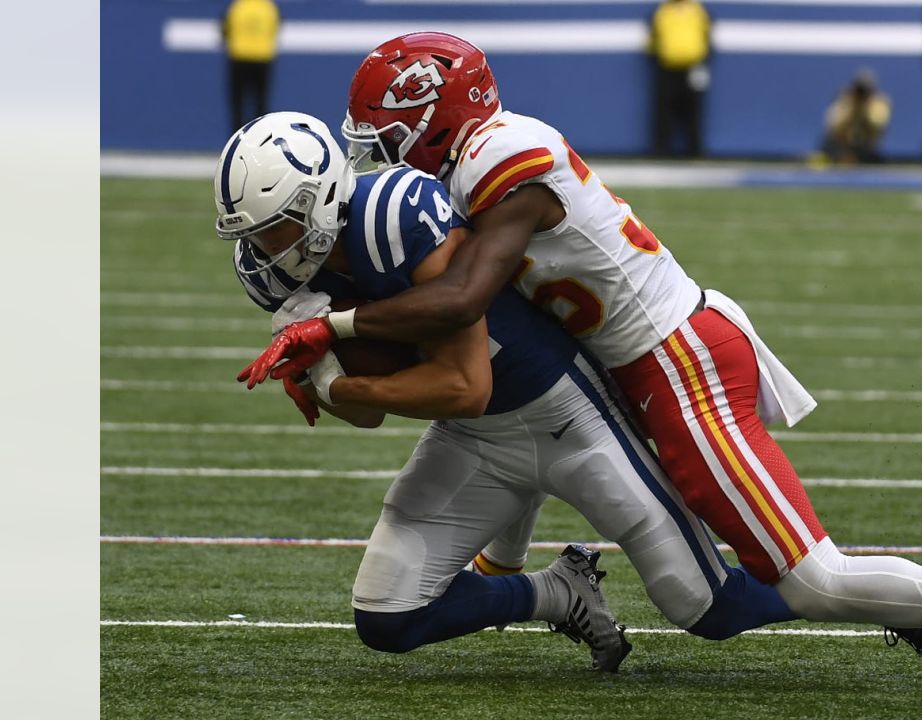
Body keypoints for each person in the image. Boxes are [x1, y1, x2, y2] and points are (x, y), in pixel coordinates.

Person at [243, 34, 922, 697]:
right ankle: (526, 579)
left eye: (385, 129)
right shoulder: (476, 159)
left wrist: (335, 327)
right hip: (630, 367)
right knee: (704, 579)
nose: (376, 150)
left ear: (430, 116)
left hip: (676, 364)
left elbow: (466, 300)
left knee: (809, 578)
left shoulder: (498, 158)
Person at [218, 111, 856, 673]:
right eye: (255, 234)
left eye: (278, 227)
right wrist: (321, 380)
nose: (266, 249)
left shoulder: (398, 214)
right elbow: (367, 419)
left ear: (323, 198)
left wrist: (336, 367)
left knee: (709, 607)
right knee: (386, 617)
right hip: (476, 438)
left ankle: (873, 598)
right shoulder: (291, 288)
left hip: (570, 415)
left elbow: (465, 384)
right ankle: (558, 592)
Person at [648, 0, 711, 157]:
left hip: (692, 66)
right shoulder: (663, 10)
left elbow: (707, 34)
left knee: (693, 110)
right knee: (664, 109)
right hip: (668, 67)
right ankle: (661, 149)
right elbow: (654, 37)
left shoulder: (697, 9)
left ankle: (694, 150)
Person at [222, 0, 280, 132]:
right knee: (261, 103)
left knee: (238, 105)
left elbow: (225, 31)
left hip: (239, 58)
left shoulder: (237, 7)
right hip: (262, 59)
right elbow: (275, 29)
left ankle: (236, 139)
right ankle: (261, 138)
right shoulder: (268, 8)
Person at [818, 69, 892, 165]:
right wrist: (851, 110)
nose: (861, 95)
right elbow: (833, 127)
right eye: (859, 91)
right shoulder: (845, 100)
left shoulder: (879, 104)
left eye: (865, 91)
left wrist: (865, 110)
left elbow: (877, 127)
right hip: (840, 146)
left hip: (864, 148)